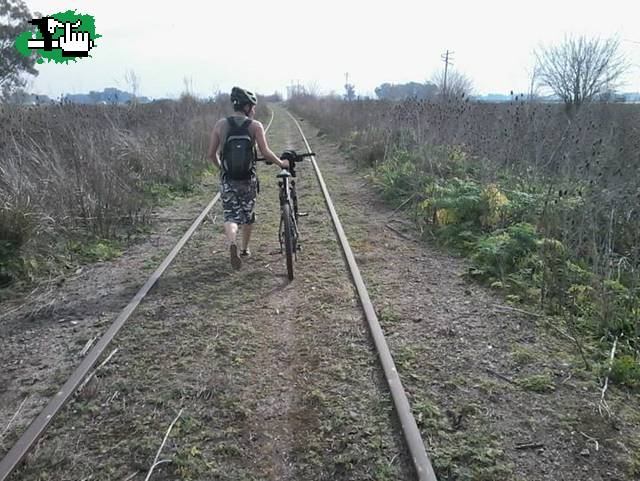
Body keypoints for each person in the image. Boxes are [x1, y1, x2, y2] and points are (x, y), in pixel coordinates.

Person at [207, 86, 289, 269]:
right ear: (246, 107)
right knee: (248, 215)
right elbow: (265, 152)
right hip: (247, 179)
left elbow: (211, 154)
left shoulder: (220, 125)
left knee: (230, 216)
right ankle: (244, 249)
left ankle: (232, 243)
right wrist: (281, 163)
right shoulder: (255, 126)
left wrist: (222, 169)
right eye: (252, 106)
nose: (253, 110)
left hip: (228, 179)